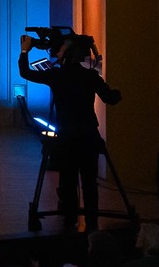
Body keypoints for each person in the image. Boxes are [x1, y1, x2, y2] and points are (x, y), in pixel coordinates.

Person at [19, 30, 122, 228]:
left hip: (66, 137)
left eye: (60, 50)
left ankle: (70, 220)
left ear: (67, 55)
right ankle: (92, 224)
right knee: (90, 182)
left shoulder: (57, 76)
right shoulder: (90, 76)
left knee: (68, 179)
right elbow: (111, 98)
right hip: (89, 135)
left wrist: (25, 51)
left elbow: (25, 72)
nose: (56, 53)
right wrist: (119, 93)